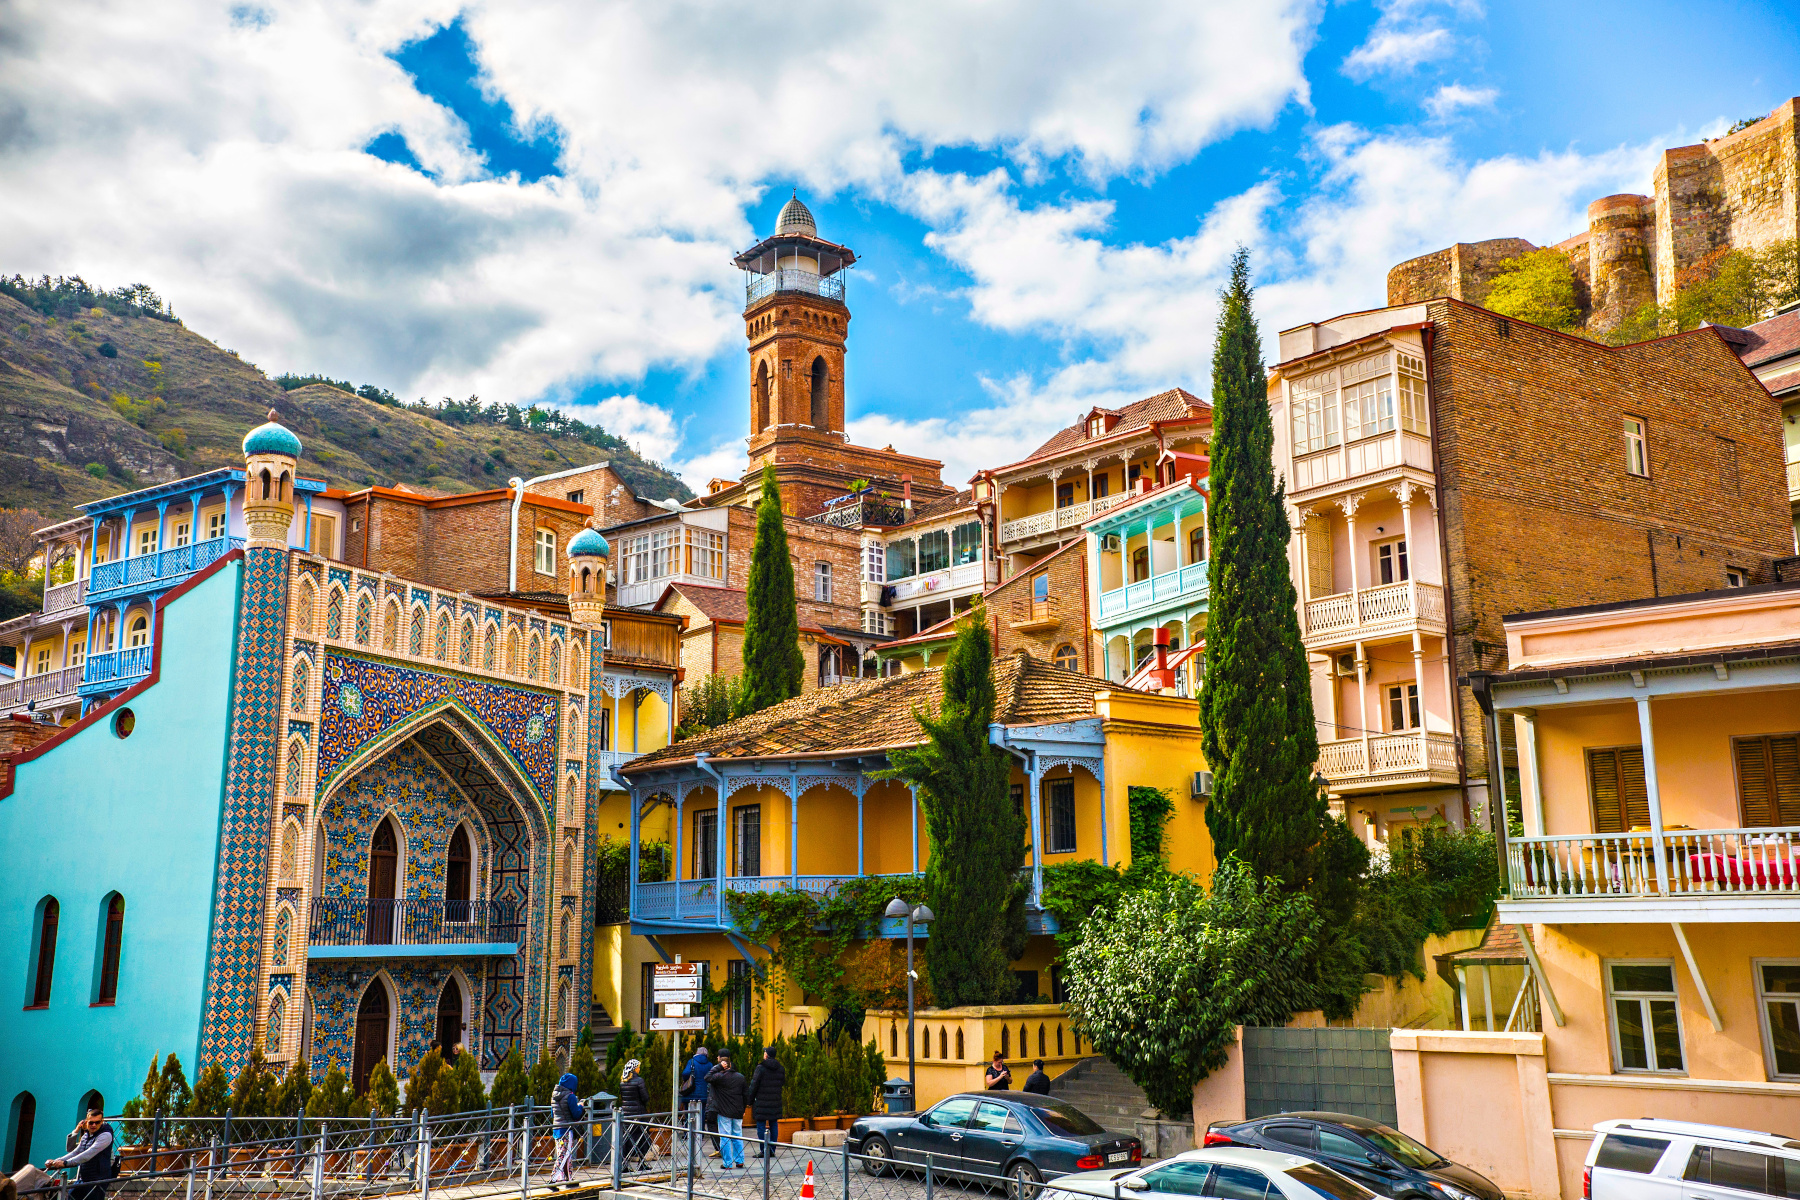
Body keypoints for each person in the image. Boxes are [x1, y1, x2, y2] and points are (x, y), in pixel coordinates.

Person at [46, 1105, 114, 1200]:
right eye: (91, 1122)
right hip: (85, 1176)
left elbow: (88, 1154)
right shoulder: (86, 1135)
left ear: (102, 1122)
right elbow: (76, 1152)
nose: (94, 1125)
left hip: (99, 1178)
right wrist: (56, 1161)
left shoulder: (105, 1135)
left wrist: (65, 1163)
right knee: (72, 1196)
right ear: (86, 1122)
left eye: (97, 1122)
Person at [704, 1054, 747, 1171]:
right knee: (737, 1135)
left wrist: (717, 1067)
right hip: (738, 1111)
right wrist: (743, 1109)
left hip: (724, 1111)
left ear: (722, 1066)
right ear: (731, 1065)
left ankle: (727, 1163)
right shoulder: (740, 1077)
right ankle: (740, 1160)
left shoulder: (719, 1077)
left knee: (725, 1136)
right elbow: (745, 1094)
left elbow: (707, 1077)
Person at [745, 1046, 784, 1158]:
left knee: (761, 1125)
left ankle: (764, 1150)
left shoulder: (760, 1068)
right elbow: (782, 1083)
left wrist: (749, 1100)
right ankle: (772, 1149)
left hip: (761, 1102)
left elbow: (754, 1085)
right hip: (775, 1101)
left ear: (766, 1055)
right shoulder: (781, 1068)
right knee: (774, 1124)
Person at [679, 1045, 716, 1159]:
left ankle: (688, 1132)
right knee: (702, 1112)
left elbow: (685, 1073)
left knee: (689, 1113)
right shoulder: (709, 1064)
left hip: (691, 1092)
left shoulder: (692, 1061)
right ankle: (700, 1132)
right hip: (704, 1093)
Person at [551, 1071, 587, 1186]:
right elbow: (576, 1114)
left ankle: (568, 1179)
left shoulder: (554, 1096)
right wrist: (580, 1106)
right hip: (566, 1129)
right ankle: (553, 1180)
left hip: (556, 1128)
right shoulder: (570, 1096)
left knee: (564, 1154)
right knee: (564, 1155)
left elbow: (552, 1114)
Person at [618, 1060, 651, 1168]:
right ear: (635, 1068)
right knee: (643, 1137)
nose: (639, 1069)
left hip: (626, 1115)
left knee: (627, 1138)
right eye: (638, 1067)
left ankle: (624, 1164)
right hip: (639, 1114)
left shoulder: (622, 1081)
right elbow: (645, 1097)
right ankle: (641, 1163)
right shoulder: (639, 1081)